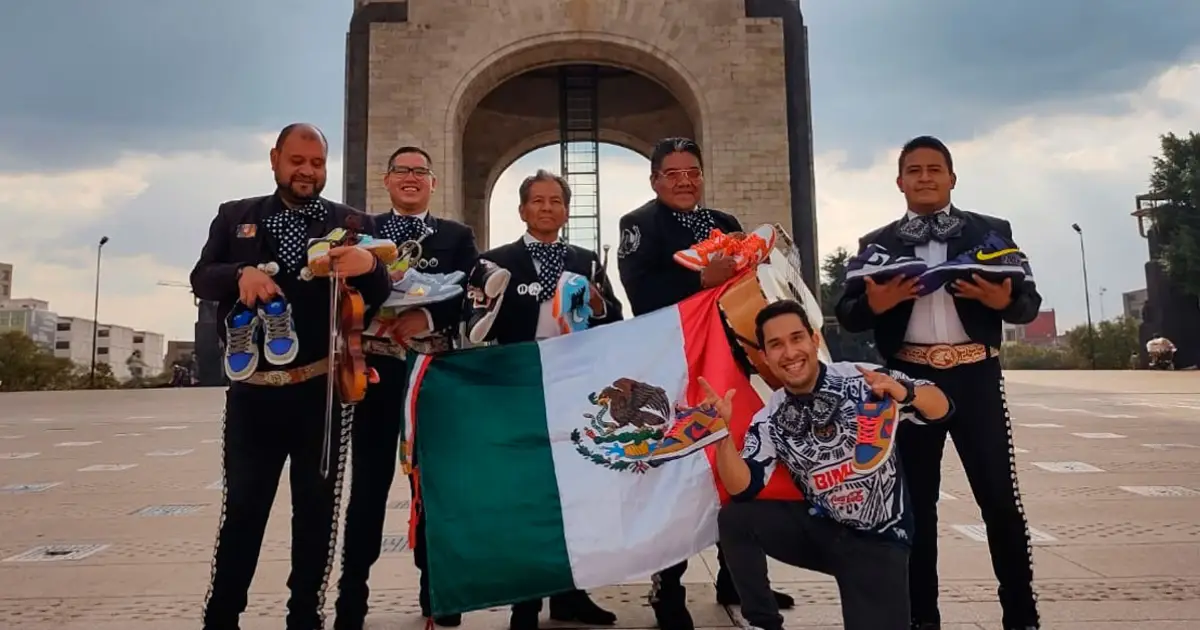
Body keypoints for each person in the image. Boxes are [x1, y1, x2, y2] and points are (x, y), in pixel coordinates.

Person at [836, 135, 1043, 630]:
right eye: (914, 170)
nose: (924, 177)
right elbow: (848, 314)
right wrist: (877, 306)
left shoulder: (991, 231)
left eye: (934, 169)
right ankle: (920, 618)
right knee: (915, 508)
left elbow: (1028, 301)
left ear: (952, 177)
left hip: (976, 376)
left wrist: (1002, 305)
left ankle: (1021, 615)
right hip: (908, 382)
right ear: (899, 181)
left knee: (999, 501)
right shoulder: (878, 243)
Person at [192, 123, 392, 630]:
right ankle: (222, 615)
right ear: (276, 158)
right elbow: (201, 276)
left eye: (317, 163)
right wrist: (241, 276)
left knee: (317, 514)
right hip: (253, 392)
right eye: (298, 160)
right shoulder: (235, 216)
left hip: (320, 391)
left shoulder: (350, 221)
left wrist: (368, 260)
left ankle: (305, 614)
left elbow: (383, 289)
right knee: (242, 508)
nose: (307, 171)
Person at [615, 137, 793, 630]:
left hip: (727, 362)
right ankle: (666, 587)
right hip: (672, 362)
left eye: (691, 171)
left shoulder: (727, 225)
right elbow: (641, 292)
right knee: (674, 471)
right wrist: (700, 282)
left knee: (736, 462)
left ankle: (738, 578)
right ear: (655, 180)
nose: (684, 181)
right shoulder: (639, 224)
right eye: (671, 173)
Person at [708, 299, 952, 630]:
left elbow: (942, 408)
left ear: (814, 340)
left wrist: (905, 393)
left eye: (797, 338)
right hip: (821, 530)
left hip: (878, 540)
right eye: (776, 345)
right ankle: (763, 623)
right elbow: (744, 485)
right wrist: (721, 437)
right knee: (736, 518)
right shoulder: (770, 417)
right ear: (764, 357)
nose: (790, 352)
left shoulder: (863, 380)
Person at [334, 146, 483, 630]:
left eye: (421, 172)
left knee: (435, 484)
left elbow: (471, 296)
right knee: (369, 484)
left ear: (433, 184)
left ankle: (437, 590)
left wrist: (428, 313)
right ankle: (350, 596)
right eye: (403, 171)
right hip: (376, 370)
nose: (412, 179)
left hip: (432, 372)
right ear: (387, 179)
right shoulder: (360, 231)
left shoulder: (456, 236)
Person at [471, 169, 623, 629]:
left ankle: (570, 594)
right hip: (519, 387)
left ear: (566, 209)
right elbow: (477, 322)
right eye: (537, 201)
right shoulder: (494, 261)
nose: (546, 208)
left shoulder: (586, 259)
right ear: (522, 210)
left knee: (575, 495)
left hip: (575, 390)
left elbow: (613, 319)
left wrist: (598, 305)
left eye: (555, 201)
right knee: (528, 496)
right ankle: (526, 601)